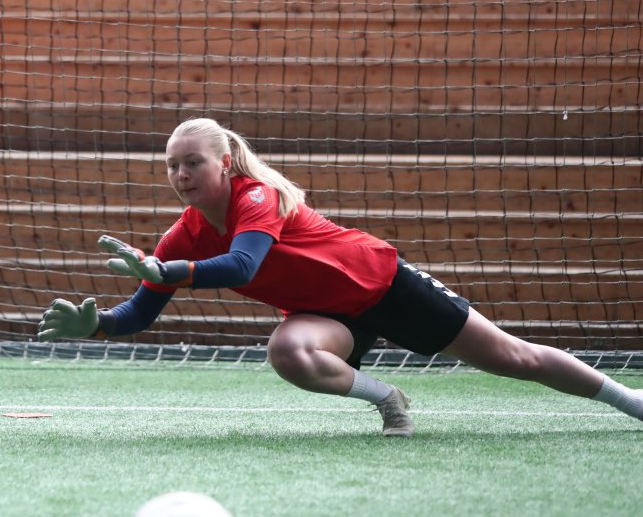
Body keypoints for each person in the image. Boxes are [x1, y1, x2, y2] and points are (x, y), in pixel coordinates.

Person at [38, 117, 643, 437]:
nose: (180, 174)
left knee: (517, 358)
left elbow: (244, 265)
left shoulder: (257, 196)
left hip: (382, 284)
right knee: (288, 351)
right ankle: (388, 399)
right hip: (327, 318)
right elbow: (139, 314)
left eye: (192, 162)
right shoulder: (181, 239)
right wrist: (98, 326)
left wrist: (165, 269)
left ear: (223, 163)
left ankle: (629, 401)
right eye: (172, 165)